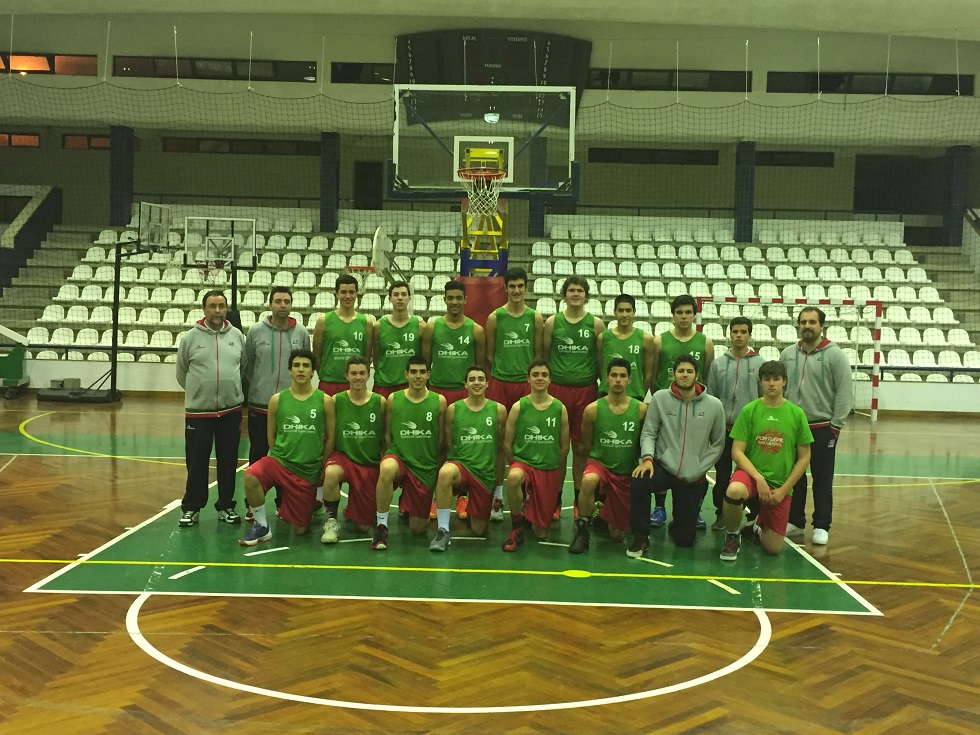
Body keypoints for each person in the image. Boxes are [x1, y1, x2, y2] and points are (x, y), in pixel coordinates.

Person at [627, 354, 726, 557]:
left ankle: (678, 524)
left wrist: (700, 469)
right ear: (673, 374)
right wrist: (647, 458)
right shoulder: (660, 398)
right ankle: (640, 537)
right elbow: (649, 432)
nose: (685, 375)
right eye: (681, 371)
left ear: (697, 375)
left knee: (684, 541)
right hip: (663, 466)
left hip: (693, 473)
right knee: (639, 480)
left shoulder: (714, 405)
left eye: (689, 371)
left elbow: (717, 444)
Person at [719, 361, 813, 561]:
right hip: (751, 476)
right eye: (767, 379)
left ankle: (757, 526)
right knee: (734, 491)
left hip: (779, 483)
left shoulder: (797, 414)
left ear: (784, 382)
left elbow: (804, 458)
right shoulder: (749, 410)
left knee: (773, 549)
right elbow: (737, 452)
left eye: (776, 379)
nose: (772, 384)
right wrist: (758, 478)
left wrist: (783, 490)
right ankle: (732, 535)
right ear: (760, 382)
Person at [239, 349, 334, 545]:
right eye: (297, 366)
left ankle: (304, 503)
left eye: (306, 366)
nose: (301, 370)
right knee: (251, 474)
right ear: (290, 370)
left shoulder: (325, 400)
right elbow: (271, 435)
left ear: (313, 371)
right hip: (281, 462)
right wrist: (279, 458)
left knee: (300, 530)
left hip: (307, 470)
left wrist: (321, 466)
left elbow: (331, 437)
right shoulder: (277, 399)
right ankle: (261, 525)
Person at [779, 307, 853, 546]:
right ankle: (795, 521)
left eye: (812, 322)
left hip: (822, 427)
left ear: (821, 326)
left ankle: (821, 525)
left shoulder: (835, 355)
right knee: (794, 478)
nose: (807, 326)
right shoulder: (788, 354)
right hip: (793, 427)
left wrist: (836, 426)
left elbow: (844, 393)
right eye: (803, 322)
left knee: (822, 479)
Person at [175, 290, 247, 528]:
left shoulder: (237, 335)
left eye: (221, 306)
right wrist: (200, 395)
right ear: (204, 309)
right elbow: (182, 373)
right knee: (197, 462)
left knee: (228, 462)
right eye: (212, 306)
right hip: (199, 413)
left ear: (226, 309)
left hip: (230, 412)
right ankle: (192, 508)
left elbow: (243, 366)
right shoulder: (190, 339)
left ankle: (225, 506)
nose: (217, 310)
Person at [422, 279, 487, 520]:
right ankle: (438, 497)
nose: (455, 302)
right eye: (450, 298)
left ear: (466, 300)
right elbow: (425, 363)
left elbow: (479, 367)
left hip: (465, 395)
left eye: (459, 298)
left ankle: (463, 497)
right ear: (444, 299)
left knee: (465, 447)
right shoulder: (433, 327)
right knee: (439, 445)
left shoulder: (476, 330)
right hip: (438, 392)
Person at [649, 294, 715, 529]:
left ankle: (693, 508)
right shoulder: (660, 341)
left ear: (694, 315)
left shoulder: (705, 342)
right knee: (663, 457)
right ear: (673, 315)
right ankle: (659, 507)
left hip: (693, 409)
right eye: (679, 312)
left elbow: (705, 375)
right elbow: (653, 374)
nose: (684, 316)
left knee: (693, 459)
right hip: (666, 408)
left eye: (688, 312)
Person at [568, 358, 647, 554]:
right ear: (606, 379)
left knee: (618, 536)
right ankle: (582, 531)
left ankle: (602, 509)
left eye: (622, 376)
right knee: (588, 480)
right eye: (614, 375)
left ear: (630, 380)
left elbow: (644, 443)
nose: (618, 380)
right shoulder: (592, 410)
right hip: (600, 464)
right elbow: (587, 444)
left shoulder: (641, 410)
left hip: (625, 471)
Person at [244, 286, 312, 511]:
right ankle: (254, 505)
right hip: (259, 405)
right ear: (270, 304)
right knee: (258, 454)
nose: (282, 305)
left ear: (291, 305)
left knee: (287, 457)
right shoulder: (255, 331)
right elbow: (248, 365)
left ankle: (285, 503)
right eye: (278, 301)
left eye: (286, 301)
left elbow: (306, 365)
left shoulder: (301, 332)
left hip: (289, 408)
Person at [544, 275, 604, 522]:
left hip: (585, 390)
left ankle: (580, 499)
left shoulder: (596, 324)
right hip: (558, 390)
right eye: (571, 290)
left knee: (581, 448)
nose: (576, 294)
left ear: (586, 295)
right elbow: (543, 355)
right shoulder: (552, 322)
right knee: (557, 449)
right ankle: (555, 499)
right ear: (564, 294)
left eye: (580, 290)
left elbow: (601, 360)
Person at [372, 356, 447, 550]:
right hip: (399, 458)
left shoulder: (439, 401)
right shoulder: (393, 399)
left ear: (429, 375)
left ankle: (408, 503)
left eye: (422, 372)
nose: (418, 376)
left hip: (423, 466)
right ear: (406, 374)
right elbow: (387, 434)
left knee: (417, 529)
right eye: (413, 372)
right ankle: (381, 526)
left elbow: (440, 440)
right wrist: (391, 455)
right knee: (387, 469)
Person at [429, 365, 507, 552]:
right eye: (472, 379)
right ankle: (443, 530)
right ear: (465, 384)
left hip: (484, 473)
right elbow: (449, 443)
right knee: (446, 472)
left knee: (480, 530)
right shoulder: (453, 409)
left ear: (487, 383)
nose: (476, 383)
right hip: (461, 466)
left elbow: (499, 449)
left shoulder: (499, 410)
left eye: (480, 379)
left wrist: (497, 488)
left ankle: (477, 504)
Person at [501, 359, 570, 552]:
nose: (540, 378)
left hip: (548, 468)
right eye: (535, 375)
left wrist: (552, 465)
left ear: (550, 380)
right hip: (524, 464)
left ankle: (531, 501)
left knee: (541, 532)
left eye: (544, 375)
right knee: (514, 477)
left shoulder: (559, 408)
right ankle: (516, 528)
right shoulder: (518, 406)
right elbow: (507, 443)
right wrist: (515, 464)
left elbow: (565, 446)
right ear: (528, 379)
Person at [704, 316, 764, 530]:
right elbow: (710, 396)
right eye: (735, 331)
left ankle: (754, 514)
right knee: (721, 475)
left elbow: (762, 399)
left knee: (750, 472)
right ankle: (722, 513)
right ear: (729, 334)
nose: (738, 335)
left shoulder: (760, 363)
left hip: (747, 431)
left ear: (749, 334)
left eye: (743, 332)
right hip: (723, 429)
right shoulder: (718, 363)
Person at [321, 355, 386, 543]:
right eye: (353, 373)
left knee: (363, 527)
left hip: (369, 463)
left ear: (368, 375)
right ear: (346, 376)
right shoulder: (336, 401)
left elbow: (384, 437)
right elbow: (330, 435)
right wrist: (323, 463)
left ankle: (354, 509)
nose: (358, 377)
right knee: (331, 473)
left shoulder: (380, 402)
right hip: (344, 458)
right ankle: (331, 521)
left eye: (362, 373)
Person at [486, 266, 543, 411]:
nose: (516, 291)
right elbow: (489, 355)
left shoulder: (535, 317)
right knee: (499, 427)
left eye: (520, 286)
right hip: (500, 381)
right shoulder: (494, 317)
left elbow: (537, 354)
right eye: (512, 286)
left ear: (526, 287)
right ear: (505, 288)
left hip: (525, 382)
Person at [312, 274, 375, 397]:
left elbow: (367, 357)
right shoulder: (323, 320)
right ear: (337, 293)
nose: (348, 296)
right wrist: (326, 376)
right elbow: (317, 355)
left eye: (351, 292)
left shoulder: (366, 322)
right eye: (343, 292)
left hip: (355, 384)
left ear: (357, 293)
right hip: (329, 383)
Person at [597, 293, 655, 401]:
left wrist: (641, 392)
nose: (624, 314)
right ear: (615, 312)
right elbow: (601, 369)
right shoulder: (603, 338)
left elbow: (648, 373)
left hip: (635, 396)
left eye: (628, 310)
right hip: (607, 395)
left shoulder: (646, 338)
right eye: (620, 310)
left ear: (634, 312)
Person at [372, 280, 424, 399]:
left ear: (409, 298)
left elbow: (424, 358)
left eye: (403, 294)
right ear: (389, 298)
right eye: (396, 295)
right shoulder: (379, 326)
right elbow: (376, 357)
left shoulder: (420, 326)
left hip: (409, 385)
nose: (400, 298)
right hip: (383, 385)